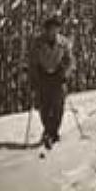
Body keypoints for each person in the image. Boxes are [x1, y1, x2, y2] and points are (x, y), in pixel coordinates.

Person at [29, 14, 74, 149]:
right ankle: (48, 130)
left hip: (58, 76)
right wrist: (33, 78)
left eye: (56, 29)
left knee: (58, 106)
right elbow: (32, 62)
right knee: (44, 106)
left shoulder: (64, 43)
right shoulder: (38, 43)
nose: (53, 32)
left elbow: (70, 60)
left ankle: (53, 132)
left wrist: (66, 73)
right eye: (50, 29)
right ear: (46, 30)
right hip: (43, 76)